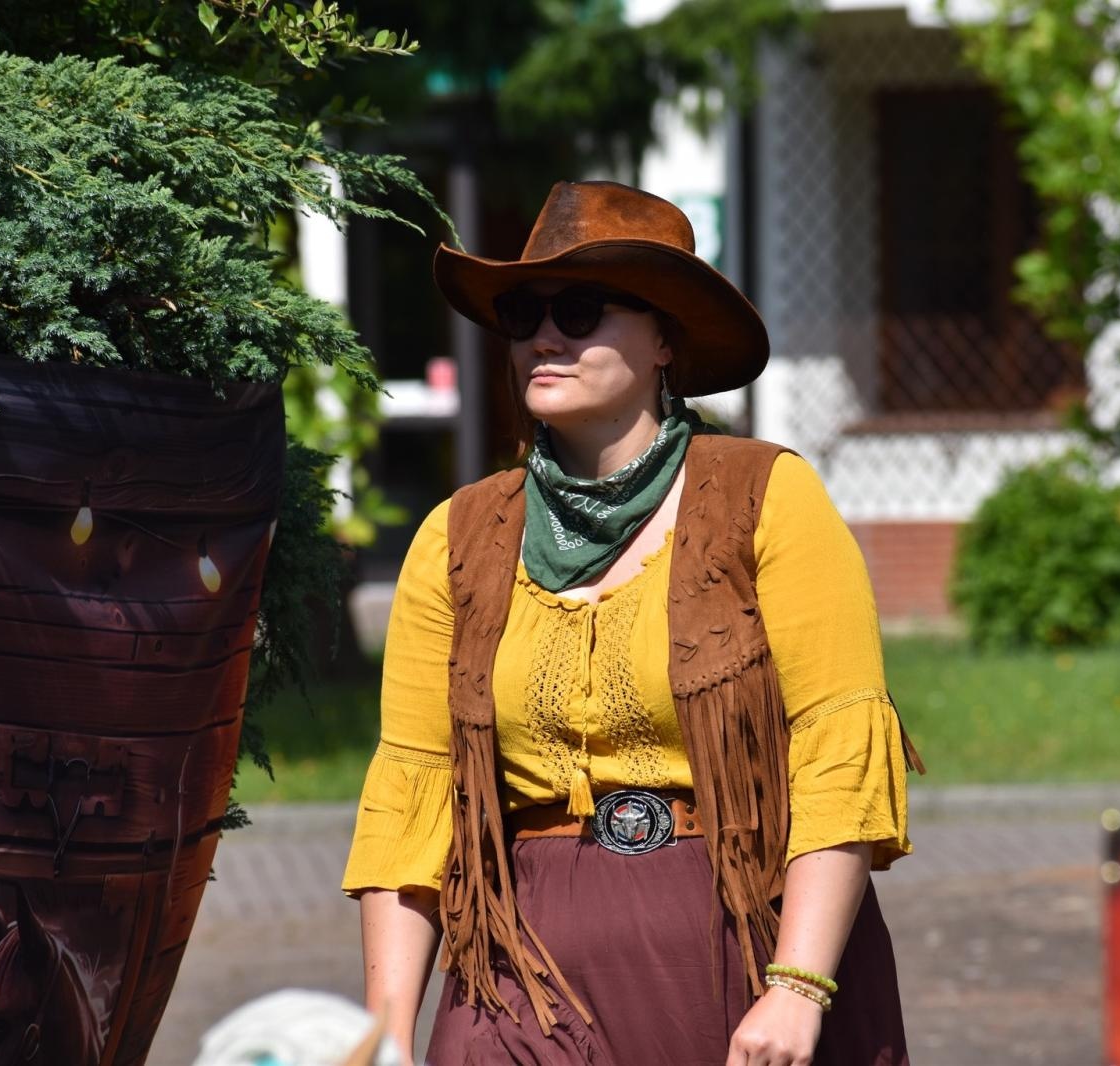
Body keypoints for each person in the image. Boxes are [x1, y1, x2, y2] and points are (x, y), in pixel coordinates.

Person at [343, 180, 918, 1066]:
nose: (544, 335)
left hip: (731, 943)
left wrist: (798, 988)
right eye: (523, 313)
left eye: (578, 310)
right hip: (519, 963)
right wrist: (383, 1033)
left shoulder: (765, 496)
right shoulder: (456, 537)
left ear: (661, 340)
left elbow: (838, 746)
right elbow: (411, 799)